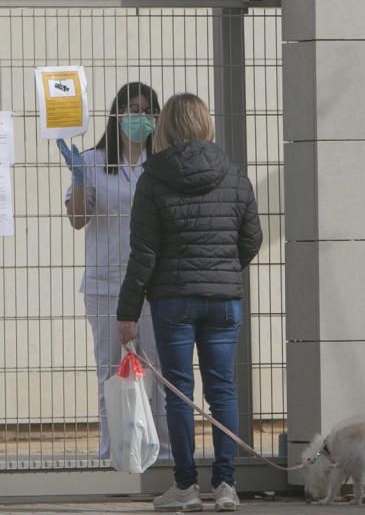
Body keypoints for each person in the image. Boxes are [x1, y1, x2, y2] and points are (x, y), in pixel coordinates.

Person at [115, 93, 262, 513]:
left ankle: (185, 487)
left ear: (166, 128)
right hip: (224, 301)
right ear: (205, 124)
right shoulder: (234, 175)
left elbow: (143, 252)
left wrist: (127, 313)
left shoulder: (153, 178)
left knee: (179, 391)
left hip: (173, 301)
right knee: (223, 389)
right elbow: (252, 238)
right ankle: (227, 485)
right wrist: (223, 269)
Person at [56, 81, 170, 462]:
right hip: (106, 285)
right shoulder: (90, 161)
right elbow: (78, 219)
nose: (139, 117)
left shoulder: (163, 164)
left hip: (153, 286)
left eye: (147, 111)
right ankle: (114, 454)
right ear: (117, 114)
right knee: (111, 372)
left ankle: (162, 454)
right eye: (132, 109)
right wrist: (78, 179)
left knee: (157, 370)